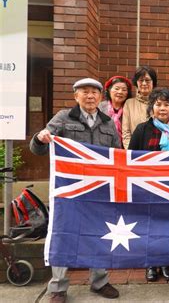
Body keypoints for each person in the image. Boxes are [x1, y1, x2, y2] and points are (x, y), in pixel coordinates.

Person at [29, 78, 120, 303]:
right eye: (85, 92)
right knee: (63, 233)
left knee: (100, 233)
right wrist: (40, 139)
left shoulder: (108, 122)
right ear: (75, 96)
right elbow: (38, 148)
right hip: (69, 190)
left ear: (101, 97)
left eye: (94, 93)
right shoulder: (63, 118)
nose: (90, 96)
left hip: (98, 189)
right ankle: (58, 288)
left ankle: (99, 281)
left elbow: (117, 154)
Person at [128, 88, 169, 282]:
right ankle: (151, 264)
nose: (162, 108)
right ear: (151, 108)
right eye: (158, 104)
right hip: (147, 186)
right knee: (150, 226)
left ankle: (166, 263)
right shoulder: (142, 130)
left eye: (167, 104)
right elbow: (131, 158)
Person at [122, 66, 158, 149]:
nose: (144, 83)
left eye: (147, 80)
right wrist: (131, 152)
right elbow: (126, 132)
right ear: (136, 83)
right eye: (141, 80)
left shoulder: (159, 103)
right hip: (135, 154)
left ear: (153, 82)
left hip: (156, 153)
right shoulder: (129, 103)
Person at [98, 75, 133, 147]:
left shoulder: (130, 108)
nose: (120, 92)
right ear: (109, 90)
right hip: (103, 147)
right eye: (116, 89)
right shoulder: (99, 107)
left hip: (125, 149)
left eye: (124, 90)